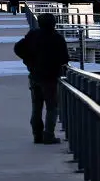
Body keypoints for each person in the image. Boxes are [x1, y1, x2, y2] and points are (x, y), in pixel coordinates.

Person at [13, 12, 70, 144]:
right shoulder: (57, 38)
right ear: (53, 24)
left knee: (36, 107)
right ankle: (49, 135)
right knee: (52, 107)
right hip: (50, 77)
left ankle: (37, 135)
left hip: (35, 76)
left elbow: (18, 47)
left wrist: (28, 60)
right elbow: (65, 59)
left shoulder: (33, 35)